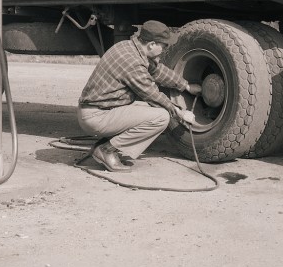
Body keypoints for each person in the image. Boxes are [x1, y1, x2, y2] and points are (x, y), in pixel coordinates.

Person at [77, 20, 201, 172]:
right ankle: (107, 149)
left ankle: (109, 142)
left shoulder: (129, 48)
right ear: (151, 45)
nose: (165, 49)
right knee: (161, 117)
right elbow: (152, 95)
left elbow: (157, 71)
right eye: (163, 45)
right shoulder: (132, 62)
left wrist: (186, 85)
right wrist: (180, 113)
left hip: (101, 109)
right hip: (96, 116)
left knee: (147, 109)